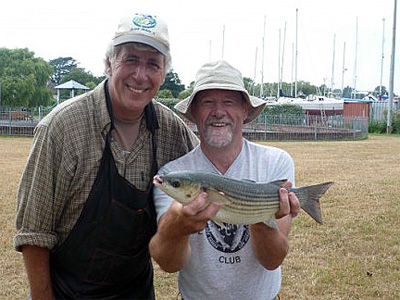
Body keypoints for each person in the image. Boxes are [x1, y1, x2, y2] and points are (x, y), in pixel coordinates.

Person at [14, 13, 198, 300]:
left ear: (163, 72)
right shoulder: (62, 127)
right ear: (109, 63)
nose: (140, 75)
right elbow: (34, 234)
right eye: (131, 59)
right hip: (65, 291)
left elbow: (213, 171)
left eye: (153, 63)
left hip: (135, 292)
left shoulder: (172, 132)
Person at [149, 60, 301, 300]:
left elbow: (272, 261)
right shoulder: (173, 173)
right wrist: (176, 226)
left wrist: (259, 215)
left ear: (244, 110)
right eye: (208, 102)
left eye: (228, 102)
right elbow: (169, 264)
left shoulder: (276, 163)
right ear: (194, 112)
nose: (218, 111)